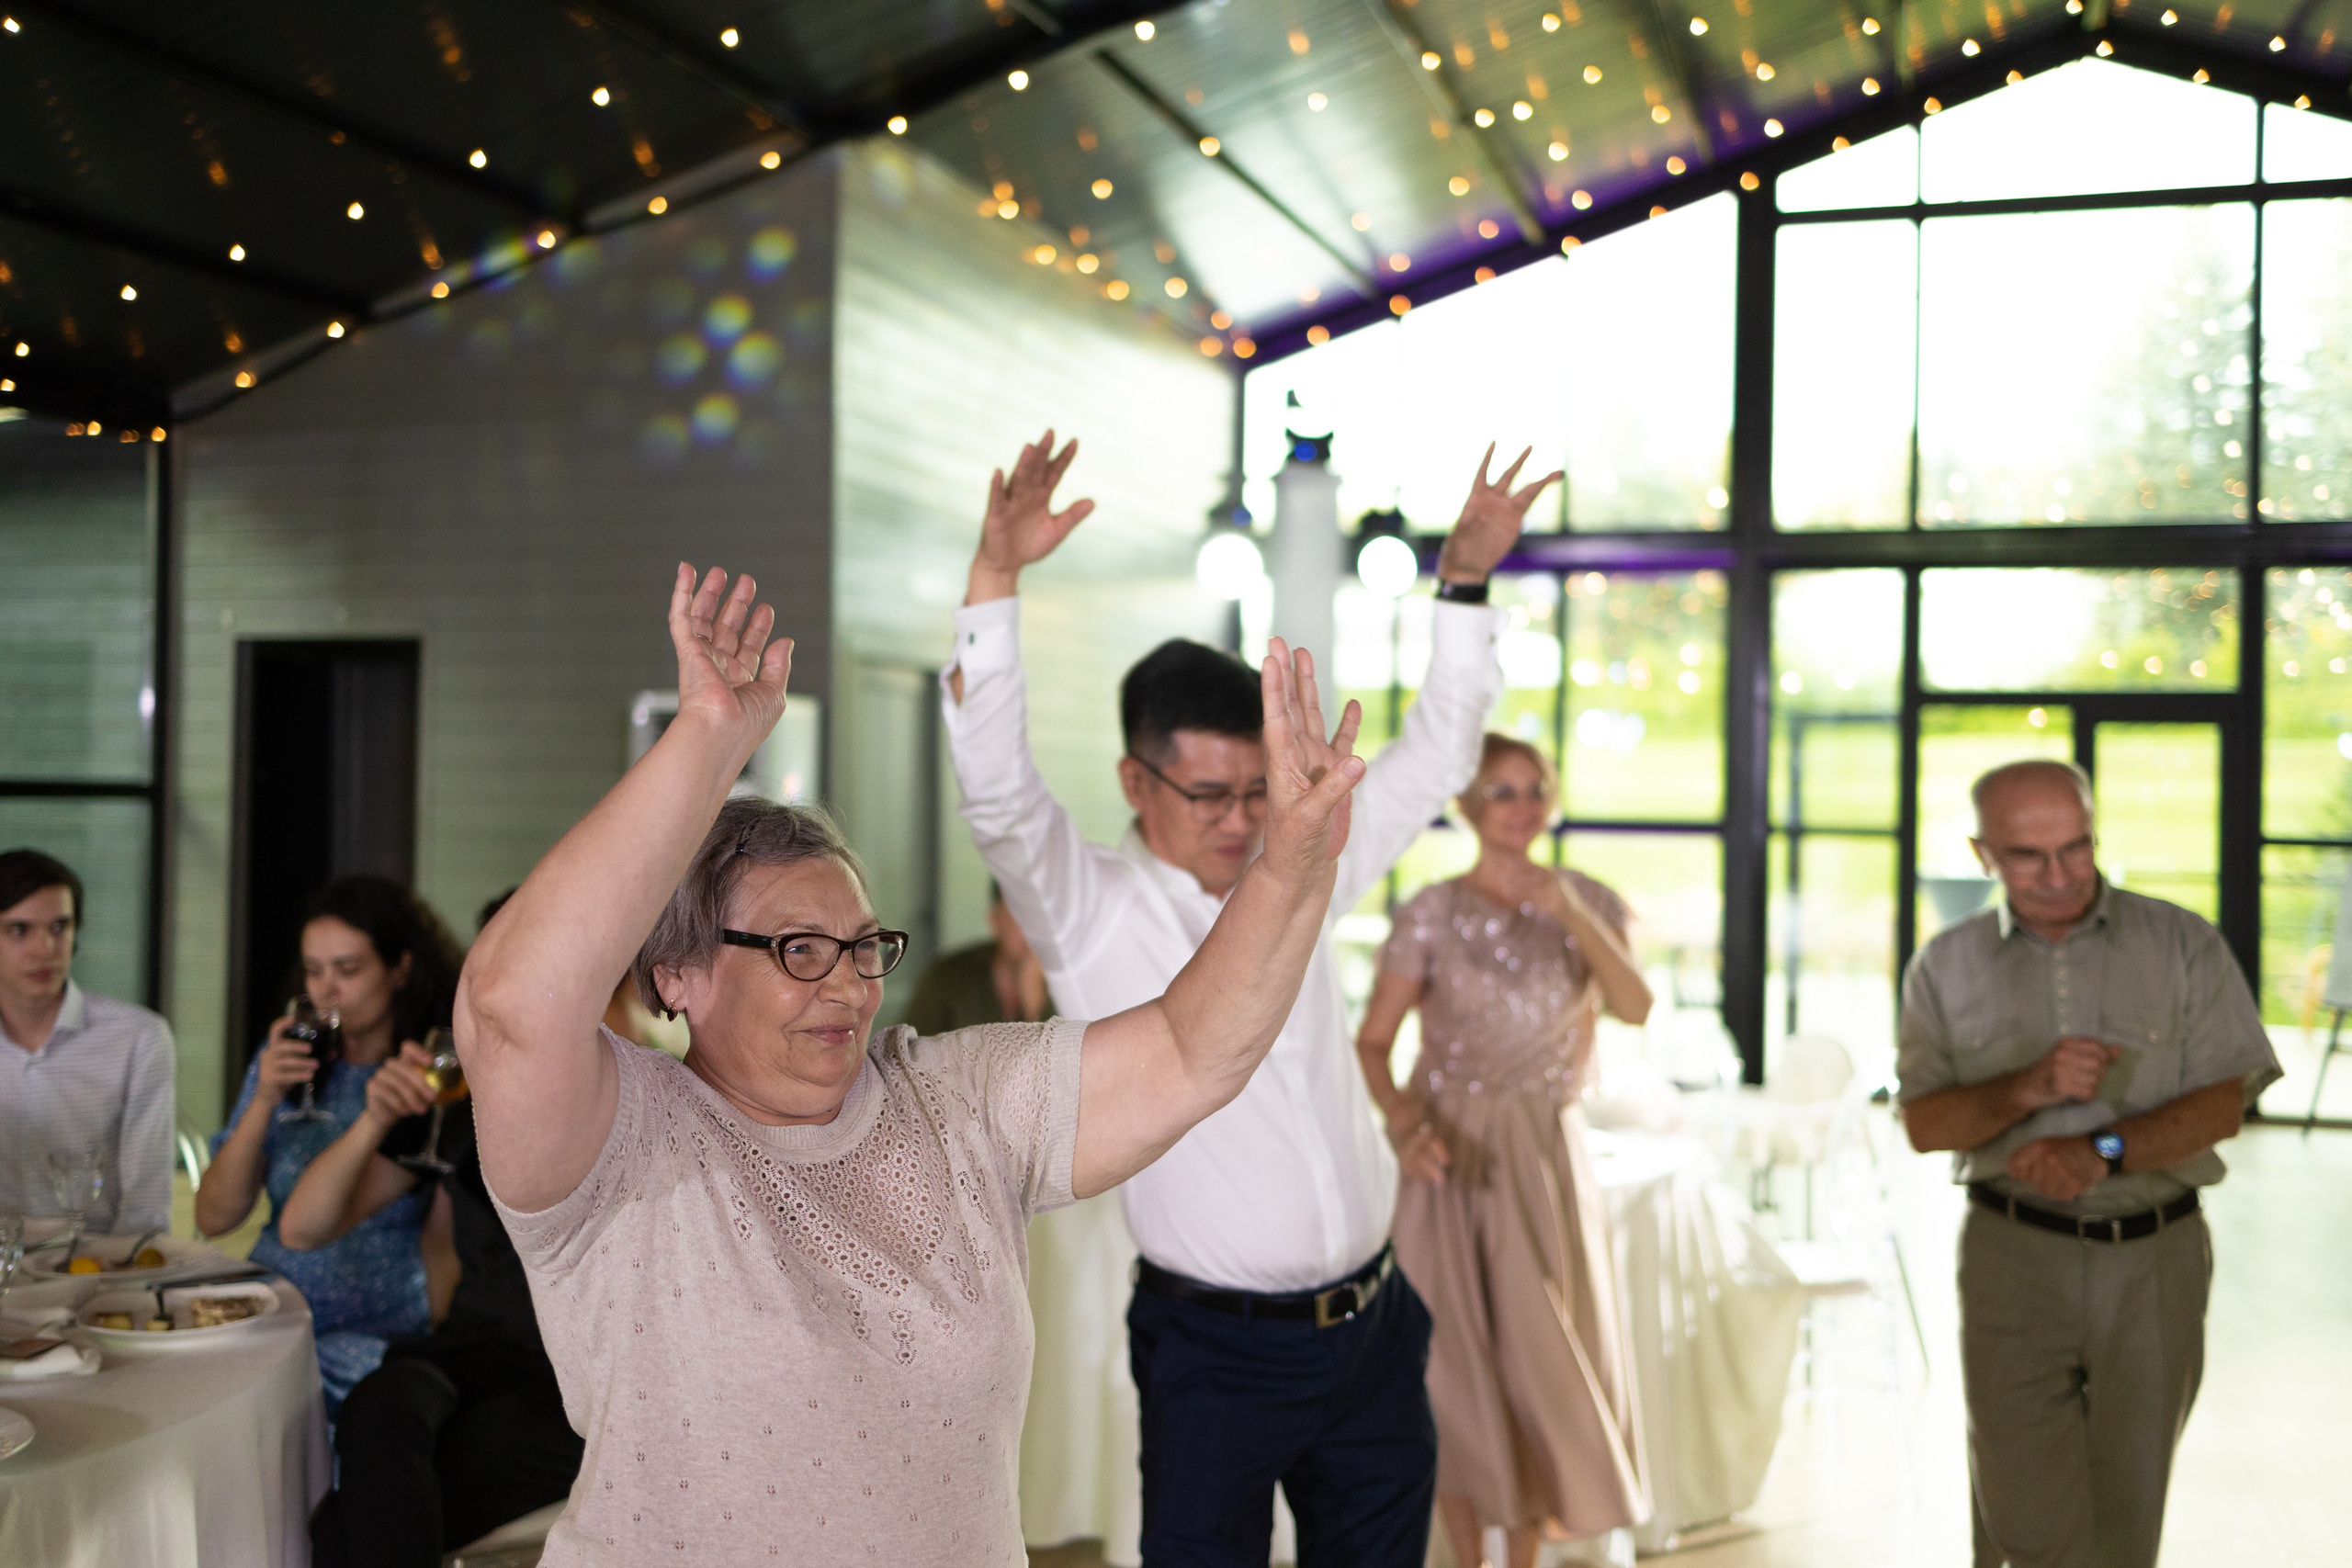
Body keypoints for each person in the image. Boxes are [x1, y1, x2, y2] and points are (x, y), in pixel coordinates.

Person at [447, 560, 1365, 1565]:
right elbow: (509, 1011)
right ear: (679, 976)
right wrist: (708, 736)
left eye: (861, 947)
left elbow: (1191, 1052)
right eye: (798, 951)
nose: (844, 985)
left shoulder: (953, 1099)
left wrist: (1292, 862)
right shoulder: (621, 1139)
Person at [944, 432, 1555, 1567]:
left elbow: (1435, 754)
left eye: (1257, 792)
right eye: (1208, 794)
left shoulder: (1303, 854)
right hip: (1214, 1350)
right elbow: (995, 791)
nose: (1240, 821)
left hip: (1376, 1330)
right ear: (1136, 781)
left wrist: (1462, 582)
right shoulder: (1089, 905)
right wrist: (995, 582)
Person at [1897, 760, 2280, 1568]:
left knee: (2127, 1511)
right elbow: (1926, 1123)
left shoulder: (2182, 943)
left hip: (2155, 1257)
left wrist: (2100, 1151)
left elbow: (2224, 1102)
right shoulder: (1945, 965)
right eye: (2029, 856)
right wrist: (2027, 1086)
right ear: (1982, 853)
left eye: (2077, 847)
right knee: (2022, 1513)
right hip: (2010, 1257)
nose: (2061, 874)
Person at [1352, 735, 1653, 1568]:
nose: (1519, 807)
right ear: (1467, 806)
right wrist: (1406, 1127)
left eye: (1532, 790)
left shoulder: (1585, 898)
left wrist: (1570, 912)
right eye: (1500, 792)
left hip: (1546, 1162)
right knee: (1452, 1378)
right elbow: (1371, 1044)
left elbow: (1634, 1003)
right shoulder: (1433, 911)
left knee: (1534, 1371)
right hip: (1452, 1156)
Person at [287, 1039, 582, 1566]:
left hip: (568, 1386)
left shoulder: (620, 1097)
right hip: (467, 1350)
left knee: (341, 1527)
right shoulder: (466, 1101)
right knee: (377, 1402)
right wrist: (375, 1120)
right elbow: (302, 1228)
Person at [198, 875, 463, 1412]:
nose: (326, 990)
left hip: (375, 1329)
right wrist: (264, 1098)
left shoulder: (425, 1079)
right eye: (313, 971)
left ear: (401, 969)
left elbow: (446, 1244)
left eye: (348, 969)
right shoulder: (288, 1063)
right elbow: (214, 1219)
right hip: (270, 1309)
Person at [0, 848, 175, 1235]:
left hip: (97, 1267)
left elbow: (147, 1206)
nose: (45, 949)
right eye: (19, 930)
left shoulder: (137, 1038)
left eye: (59, 927)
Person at [902, 882, 1053, 1034]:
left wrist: (1034, 1000)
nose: (1034, 931)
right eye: (1022, 917)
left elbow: (1062, 1053)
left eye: (1043, 919)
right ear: (996, 920)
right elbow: (908, 1049)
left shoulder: (1065, 983)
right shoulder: (949, 975)